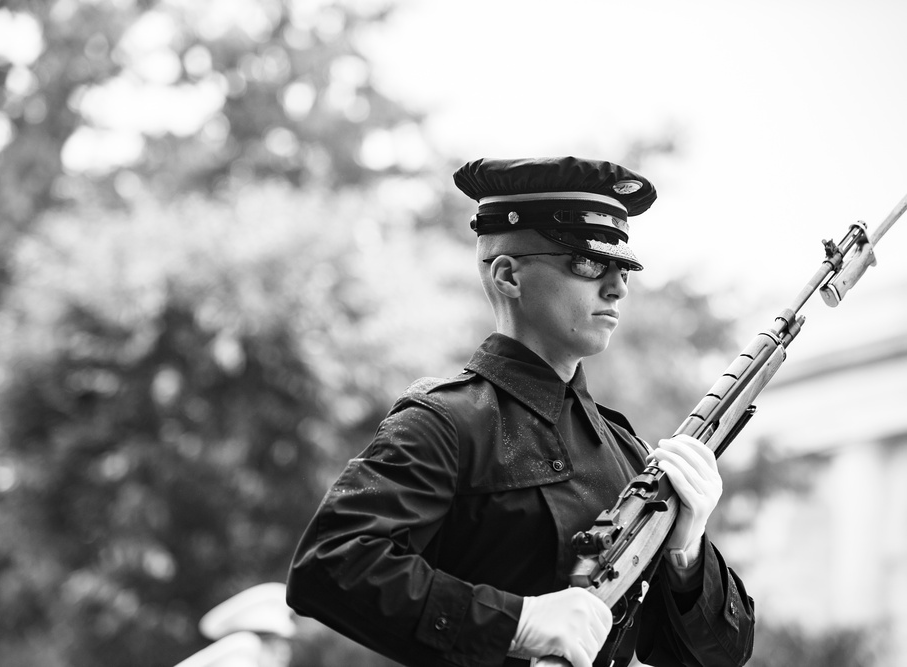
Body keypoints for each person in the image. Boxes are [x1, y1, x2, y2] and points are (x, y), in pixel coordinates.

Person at [286, 157, 755, 667]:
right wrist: (517, 622)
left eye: (623, 270)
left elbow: (717, 655)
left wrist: (687, 557)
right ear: (508, 275)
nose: (617, 287)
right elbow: (331, 563)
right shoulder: (445, 422)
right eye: (588, 263)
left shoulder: (627, 451)